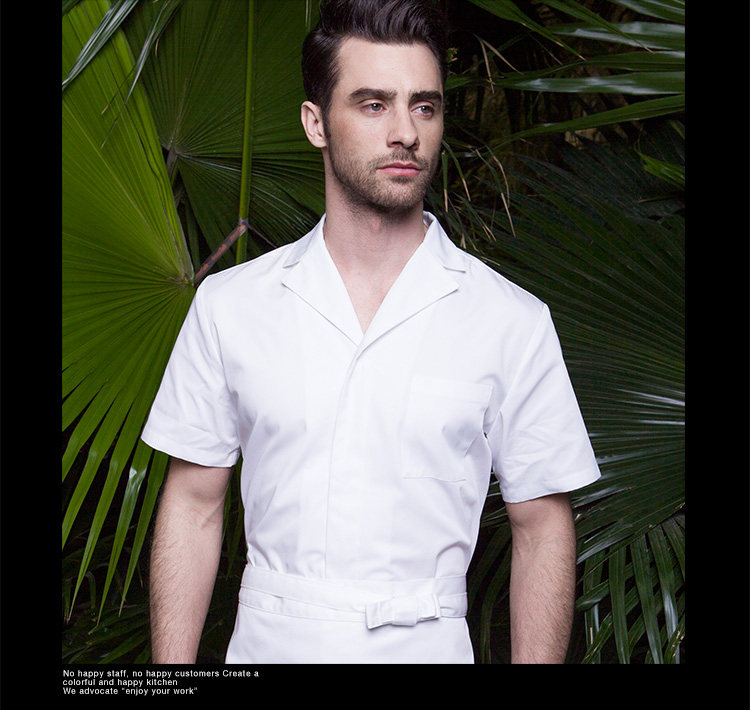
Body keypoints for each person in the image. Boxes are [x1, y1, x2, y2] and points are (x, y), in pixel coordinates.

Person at [141, 0, 601, 665]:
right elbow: (193, 505)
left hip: (430, 643)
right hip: (272, 640)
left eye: (424, 107)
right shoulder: (230, 305)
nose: (405, 133)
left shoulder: (512, 320)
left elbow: (542, 528)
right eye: (373, 104)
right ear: (316, 123)